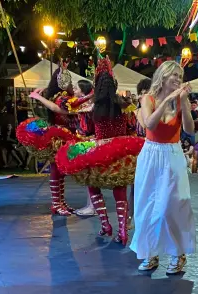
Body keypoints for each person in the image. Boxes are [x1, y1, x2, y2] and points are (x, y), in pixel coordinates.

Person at [55, 58, 144, 245]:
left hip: (100, 151)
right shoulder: (124, 105)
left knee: (92, 185)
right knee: (120, 188)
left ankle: (105, 225)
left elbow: (85, 130)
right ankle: (122, 231)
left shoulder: (93, 107)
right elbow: (131, 127)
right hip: (122, 152)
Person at [130, 61, 196, 274]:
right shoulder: (147, 99)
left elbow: (189, 129)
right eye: (174, 75)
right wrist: (167, 99)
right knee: (147, 204)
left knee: (172, 206)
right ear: (163, 76)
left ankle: (178, 254)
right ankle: (150, 254)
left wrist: (183, 103)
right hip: (151, 154)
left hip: (173, 154)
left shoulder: (180, 100)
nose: (178, 79)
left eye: (180, 75)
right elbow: (149, 124)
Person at [28, 62, 91, 216]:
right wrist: (91, 96)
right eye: (70, 82)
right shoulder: (61, 98)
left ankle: (60, 202)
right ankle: (56, 203)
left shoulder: (66, 97)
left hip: (67, 135)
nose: (72, 85)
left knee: (60, 170)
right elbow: (60, 109)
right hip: (59, 136)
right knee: (56, 169)